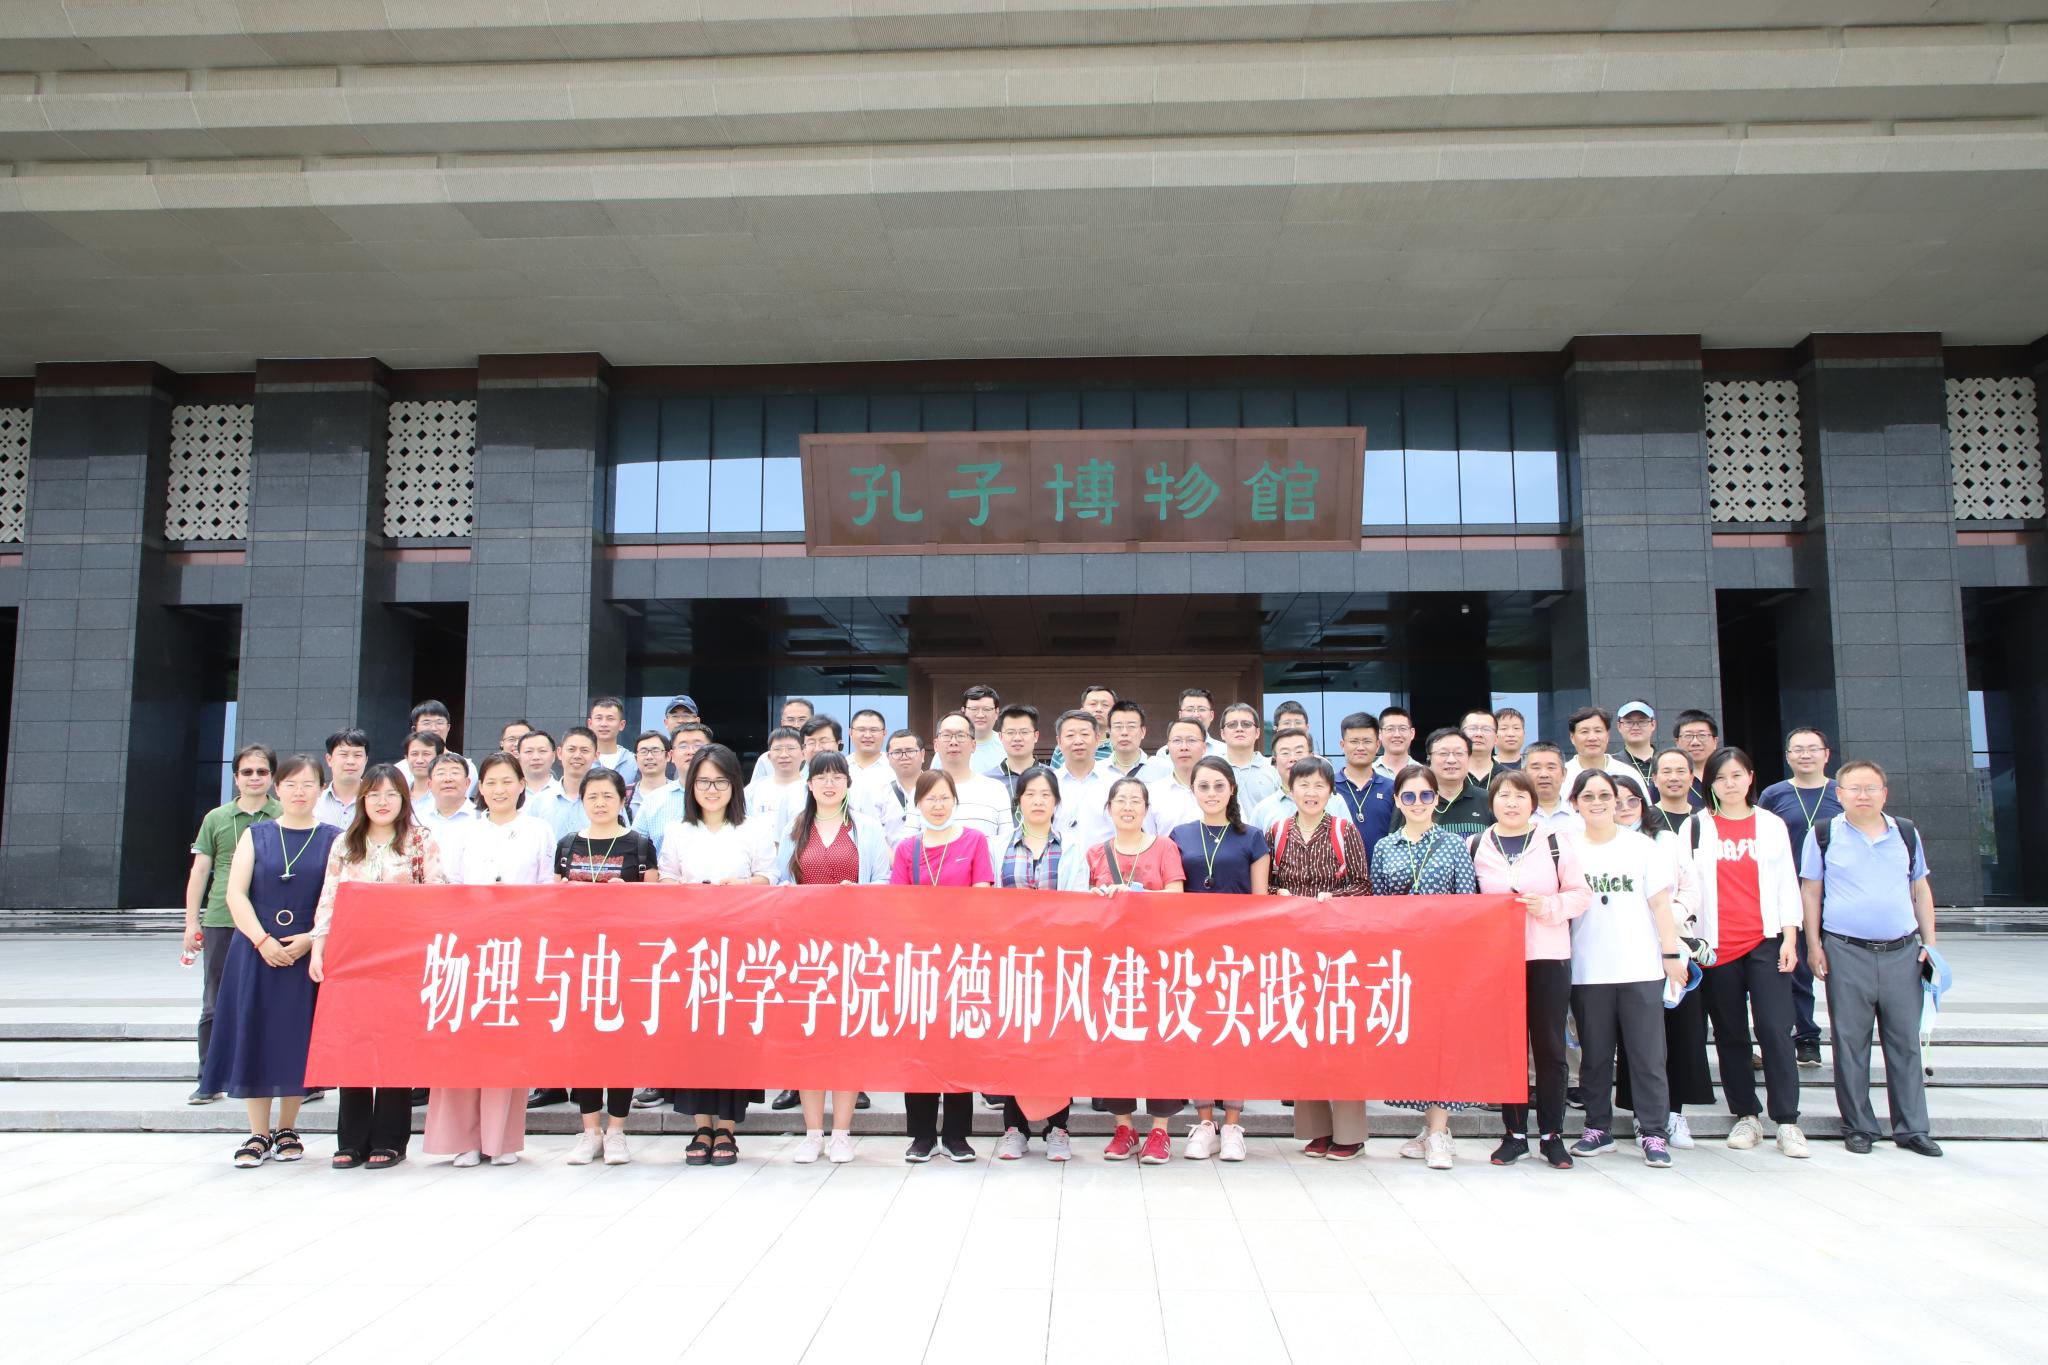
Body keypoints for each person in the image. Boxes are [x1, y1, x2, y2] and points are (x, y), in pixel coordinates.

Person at [197, 754, 333, 1168]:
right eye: (290, 784)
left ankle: (288, 1127)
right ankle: (257, 1133)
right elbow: (235, 894)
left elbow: (338, 898)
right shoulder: (256, 835)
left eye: (307, 784)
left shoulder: (335, 838)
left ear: (321, 789)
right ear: (278, 789)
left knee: (295, 1037)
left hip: (306, 951)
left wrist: (312, 938)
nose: (298, 792)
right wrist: (261, 940)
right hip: (256, 951)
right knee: (254, 1032)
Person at [1801, 759, 1941, 1157]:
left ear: (1884, 793)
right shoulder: (1825, 833)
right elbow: (1810, 891)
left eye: (1871, 788)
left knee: (1905, 1042)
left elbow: (1920, 890)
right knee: (1850, 1042)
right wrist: (1814, 945)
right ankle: (1859, 1125)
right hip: (1846, 951)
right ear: (1839, 794)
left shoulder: (1905, 833)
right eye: (1854, 788)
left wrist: (1930, 943)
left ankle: (1912, 1128)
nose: (1863, 795)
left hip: (1903, 952)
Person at [311, 764, 446, 1169]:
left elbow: (438, 894)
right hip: (351, 955)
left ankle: (390, 1139)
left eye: (391, 794)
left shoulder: (420, 840)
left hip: (403, 957)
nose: (382, 802)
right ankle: (351, 1140)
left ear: (404, 799)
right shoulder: (345, 843)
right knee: (352, 1044)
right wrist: (319, 949)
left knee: (394, 1045)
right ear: (362, 799)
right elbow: (329, 897)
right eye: (374, 794)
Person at [1678, 747, 1807, 1158]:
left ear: (1750, 777)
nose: (1729, 784)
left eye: (1736, 776)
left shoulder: (1770, 824)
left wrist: (1790, 938)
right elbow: (1685, 888)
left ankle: (1787, 1121)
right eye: (1720, 778)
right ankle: (1746, 1115)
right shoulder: (1696, 827)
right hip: (1717, 947)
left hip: (1766, 942)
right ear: (1709, 783)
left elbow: (1787, 883)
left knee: (1774, 1029)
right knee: (1730, 1033)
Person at [425, 751, 550, 1168]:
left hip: (518, 949)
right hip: (469, 950)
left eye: (507, 781)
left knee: (506, 1045)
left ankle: (502, 1139)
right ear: (480, 788)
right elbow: (453, 887)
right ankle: (464, 1139)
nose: (499, 790)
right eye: (491, 782)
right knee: (463, 1045)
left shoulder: (538, 830)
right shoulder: (466, 831)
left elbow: (546, 889)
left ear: (521, 786)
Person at [1564, 768, 1690, 1168]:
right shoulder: (1566, 848)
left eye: (1605, 796)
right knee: (1595, 1056)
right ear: (1575, 803)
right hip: (1588, 969)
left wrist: (1671, 955)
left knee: (1647, 1056)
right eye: (1588, 796)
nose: (1598, 803)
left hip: (1640, 966)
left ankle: (1653, 1132)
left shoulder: (1641, 847)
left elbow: (1660, 905)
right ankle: (1597, 1128)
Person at [773, 752, 891, 1166]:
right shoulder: (795, 828)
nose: (828, 784)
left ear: (847, 783)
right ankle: (812, 1133)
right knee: (809, 1040)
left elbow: (883, 881)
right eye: (820, 777)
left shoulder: (866, 828)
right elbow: (779, 883)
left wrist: (857, 893)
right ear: (808, 785)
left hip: (851, 948)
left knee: (846, 1041)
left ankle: (841, 1132)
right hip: (804, 951)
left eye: (836, 777)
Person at [1469, 770, 1590, 1170]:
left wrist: (1549, 907)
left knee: (1550, 1047)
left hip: (1547, 955)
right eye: (1504, 795)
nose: (1512, 802)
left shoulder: (1555, 842)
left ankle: (1552, 1135)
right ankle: (1515, 1134)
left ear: (1533, 804)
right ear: (1492, 802)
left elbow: (1581, 894)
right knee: (1509, 1048)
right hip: (1499, 960)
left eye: (1521, 796)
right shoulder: (1477, 845)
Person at [1370, 764, 1479, 1170]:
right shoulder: (1385, 847)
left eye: (1426, 795)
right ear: (1398, 801)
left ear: (1436, 799)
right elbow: (1378, 906)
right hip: (1402, 961)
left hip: (1444, 958)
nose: (1418, 803)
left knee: (1443, 1043)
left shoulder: (1454, 845)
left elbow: (1466, 903)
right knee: (1414, 1043)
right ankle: (1428, 1127)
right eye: (1409, 796)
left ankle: (1439, 1132)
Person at [1267, 756, 1374, 1159]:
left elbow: (1363, 886)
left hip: (1339, 950)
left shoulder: (1344, 831)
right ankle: (1317, 1130)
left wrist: (1333, 898)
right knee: (1303, 1035)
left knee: (1342, 1036)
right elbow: (1265, 886)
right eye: (1303, 785)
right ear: (1290, 789)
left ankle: (1350, 1133)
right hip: (1294, 950)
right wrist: (1278, 895)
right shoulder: (1277, 831)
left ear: (1331, 791)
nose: (1310, 793)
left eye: (1319, 786)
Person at [555, 766, 660, 1166]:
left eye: (607, 796)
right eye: (592, 796)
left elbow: (656, 903)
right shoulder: (568, 844)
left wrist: (628, 894)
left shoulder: (639, 845)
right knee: (583, 1047)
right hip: (578, 960)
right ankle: (589, 1131)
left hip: (625, 959)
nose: (600, 803)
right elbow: (552, 900)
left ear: (622, 800)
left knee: (621, 1046)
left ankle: (616, 1130)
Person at [890, 770, 995, 1163]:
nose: (937, 805)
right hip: (919, 961)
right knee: (919, 1046)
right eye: (930, 798)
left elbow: (982, 895)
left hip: (963, 959)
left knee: (959, 1048)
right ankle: (921, 1135)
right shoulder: (907, 849)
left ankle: (956, 1135)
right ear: (917, 804)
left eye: (944, 798)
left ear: (955, 801)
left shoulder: (974, 840)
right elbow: (898, 905)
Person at [1171, 757, 1269, 1161]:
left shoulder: (1253, 837)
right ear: (1192, 790)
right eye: (1203, 786)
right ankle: (1204, 1122)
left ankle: (1231, 1124)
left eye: (1218, 786)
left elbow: (1260, 901)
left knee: (1234, 1034)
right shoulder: (1179, 835)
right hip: (1193, 953)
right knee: (1198, 1034)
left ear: (1232, 789)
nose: (1211, 793)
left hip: (1238, 953)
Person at [1087, 777, 1188, 1163]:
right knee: (1115, 1044)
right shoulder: (1096, 853)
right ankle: (1124, 1127)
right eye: (1120, 800)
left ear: (1147, 809)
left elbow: (1177, 898)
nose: (1127, 807)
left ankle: (1160, 1131)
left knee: (1161, 1045)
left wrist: (1137, 895)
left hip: (1158, 963)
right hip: (1111, 965)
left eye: (1135, 801)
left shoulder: (1164, 847)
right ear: (1109, 808)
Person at [1613, 768, 1711, 1150]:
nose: (1623, 807)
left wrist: (1669, 916)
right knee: (1636, 1038)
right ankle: (1643, 1116)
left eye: (1631, 800)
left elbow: (1690, 888)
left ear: (1644, 802)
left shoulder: (1666, 839)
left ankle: (1674, 1113)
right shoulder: (1599, 842)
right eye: (1615, 801)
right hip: (1627, 948)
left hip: (1672, 943)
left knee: (1680, 1032)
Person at [993, 766, 1085, 1162]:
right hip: (1011, 960)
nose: (1037, 801)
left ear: (1056, 802)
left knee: (1057, 1044)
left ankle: (1058, 1128)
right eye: (1030, 794)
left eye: (1045, 794)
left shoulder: (1073, 847)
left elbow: (1079, 901)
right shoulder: (999, 845)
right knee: (1014, 1042)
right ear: (1019, 801)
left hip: (1057, 961)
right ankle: (1014, 1129)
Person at [184, 742, 279, 1104]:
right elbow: (200, 871)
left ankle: (278, 1077)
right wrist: (191, 922)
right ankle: (209, 1078)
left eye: (262, 771)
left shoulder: (283, 814)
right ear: (236, 777)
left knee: (272, 1002)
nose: (255, 778)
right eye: (247, 772)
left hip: (271, 921)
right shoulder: (217, 818)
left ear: (272, 777)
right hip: (222, 919)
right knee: (215, 1003)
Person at [1759, 727, 1843, 1069]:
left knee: (1841, 968)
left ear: (1826, 754)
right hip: (1789, 892)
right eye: (1797, 749)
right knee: (1797, 969)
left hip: (1836, 894)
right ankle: (1806, 1036)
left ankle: (1848, 1038)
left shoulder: (1842, 792)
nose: (1805, 755)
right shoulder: (1774, 794)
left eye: (1812, 749)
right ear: (1788, 756)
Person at [931, 709, 1013, 845]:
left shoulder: (996, 789)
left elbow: (1007, 843)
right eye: (946, 735)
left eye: (961, 735)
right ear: (936, 745)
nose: (953, 742)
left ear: (974, 745)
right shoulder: (921, 790)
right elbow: (910, 846)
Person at [1247, 728, 1350, 832]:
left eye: (1299, 752)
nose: (1293, 758)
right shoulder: (1262, 810)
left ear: (1312, 757)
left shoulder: (1335, 802)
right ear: (1274, 761)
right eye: (1285, 753)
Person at [1047, 709, 1115, 851]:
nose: (1078, 741)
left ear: (1097, 739)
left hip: (1105, 863)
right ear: (1059, 741)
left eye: (1084, 734)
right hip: (1058, 863)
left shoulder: (1115, 783)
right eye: (1070, 735)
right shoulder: (1048, 784)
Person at [1328, 711, 1393, 852]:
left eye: (1367, 741)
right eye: (1354, 741)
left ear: (1377, 745)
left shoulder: (1392, 788)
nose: (1361, 747)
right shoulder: (1328, 787)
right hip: (1339, 866)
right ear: (1342, 745)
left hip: (1382, 866)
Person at [1142, 717, 1207, 833]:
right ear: (1168, 747)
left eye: (1192, 740)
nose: (1184, 747)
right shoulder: (1152, 793)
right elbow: (1148, 839)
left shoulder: (1220, 789)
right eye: (1177, 741)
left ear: (1204, 748)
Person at [1423, 728, 1489, 836]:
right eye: (1443, 753)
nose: (1451, 760)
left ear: (1469, 758)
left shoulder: (1488, 800)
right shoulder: (1415, 801)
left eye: (1459, 753)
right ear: (1429, 758)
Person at [1218, 702, 1279, 808]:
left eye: (1246, 724)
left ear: (1257, 733)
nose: (1239, 729)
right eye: (1232, 725)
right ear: (1222, 733)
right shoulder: (1212, 768)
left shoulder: (1274, 768)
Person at [744, 725, 806, 823]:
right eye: (777, 749)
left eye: (790, 748)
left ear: (803, 754)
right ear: (769, 756)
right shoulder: (752, 791)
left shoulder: (812, 789)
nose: (784, 755)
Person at [1149, 687, 1226, 762]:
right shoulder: (1164, 753)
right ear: (1180, 715)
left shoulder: (1224, 751)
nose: (1196, 715)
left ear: (1211, 715)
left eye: (1202, 709)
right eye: (1189, 709)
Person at [749, 697, 818, 783]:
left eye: (802, 719)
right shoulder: (766, 759)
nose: (796, 724)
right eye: (791, 719)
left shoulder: (821, 757)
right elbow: (755, 789)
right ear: (782, 723)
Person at [1521, 742, 1582, 837]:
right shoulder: (1514, 813)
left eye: (1551, 767)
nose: (1544, 774)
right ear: (1523, 774)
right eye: (1536, 768)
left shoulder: (1580, 814)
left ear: (1564, 774)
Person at [412, 752, 478, 839]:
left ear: (467, 782)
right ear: (429, 784)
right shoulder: (416, 821)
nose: (447, 779)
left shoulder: (482, 819)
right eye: (441, 773)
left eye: (455, 773)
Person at [1051, 683, 1118, 769]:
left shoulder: (1119, 746)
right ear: (1082, 710)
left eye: (1105, 705)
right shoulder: (1063, 747)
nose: (1098, 709)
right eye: (1093, 704)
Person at [314, 728, 369, 829]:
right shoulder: (314, 802)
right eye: (344, 754)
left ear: (366, 760)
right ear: (329, 759)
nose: (351, 761)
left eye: (357, 755)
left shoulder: (376, 802)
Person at [985, 703, 1043, 799]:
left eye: (1024, 732)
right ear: (1000, 737)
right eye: (1010, 732)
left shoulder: (1053, 777)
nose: (1017, 738)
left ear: (1036, 736)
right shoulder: (987, 781)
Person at [624, 728, 674, 822]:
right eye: (643, 751)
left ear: (668, 756)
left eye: (655, 751)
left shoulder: (680, 793)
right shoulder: (623, 794)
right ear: (636, 758)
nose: (649, 757)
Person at [1672, 710, 1718, 807]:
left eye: (1702, 735)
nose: (1695, 742)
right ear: (1677, 742)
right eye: (1688, 736)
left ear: (1715, 741)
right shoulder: (1668, 778)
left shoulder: (1725, 776)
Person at [879, 728, 925, 824]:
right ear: (888, 758)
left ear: (922, 755)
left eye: (910, 751)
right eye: (897, 752)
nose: (904, 757)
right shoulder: (880, 794)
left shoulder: (937, 788)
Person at [587, 695, 635, 776]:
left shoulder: (634, 761)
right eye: (599, 718)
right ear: (590, 724)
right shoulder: (582, 759)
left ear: (622, 725)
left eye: (610, 719)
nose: (604, 724)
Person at [1561, 706, 1613, 780]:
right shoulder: (1561, 776)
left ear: (1607, 736)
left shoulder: (1626, 772)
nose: (1592, 738)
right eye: (1584, 731)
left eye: (1598, 731)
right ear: (1572, 737)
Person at [1651, 748, 1698, 829]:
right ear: (1655, 779)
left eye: (1681, 771)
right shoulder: (1644, 818)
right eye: (1666, 772)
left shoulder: (1705, 818)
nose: (1674, 778)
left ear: (1691, 778)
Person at [1103, 699, 1150, 777]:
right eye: (1118, 726)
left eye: (1131, 726)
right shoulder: (1098, 770)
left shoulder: (1162, 769)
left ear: (1143, 732)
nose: (1124, 732)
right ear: (1109, 731)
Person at [1615, 701, 1659, 784]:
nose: (1635, 727)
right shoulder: (1612, 763)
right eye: (1629, 722)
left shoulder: (1667, 761)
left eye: (1642, 722)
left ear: (1653, 725)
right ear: (1619, 726)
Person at [399, 729, 445, 799]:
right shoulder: (399, 794)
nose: (419, 760)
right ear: (406, 758)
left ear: (439, 757)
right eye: (414, 754)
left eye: (426, 754)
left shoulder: (447, 796)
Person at [1373, 705, 1415, 778]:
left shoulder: (1423, 773)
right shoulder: (1368, 773)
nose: (1397, 735)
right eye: (1390, 729)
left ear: (1412, 733)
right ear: (1379, 734)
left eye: (1402, 729)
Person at [1461, 709, 1499, 788]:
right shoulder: (1448, 774)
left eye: (1486, 729)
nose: (1479, 734)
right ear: (1460, 736)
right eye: (1472, 728)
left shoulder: (1508, 776)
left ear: (1496, 738)